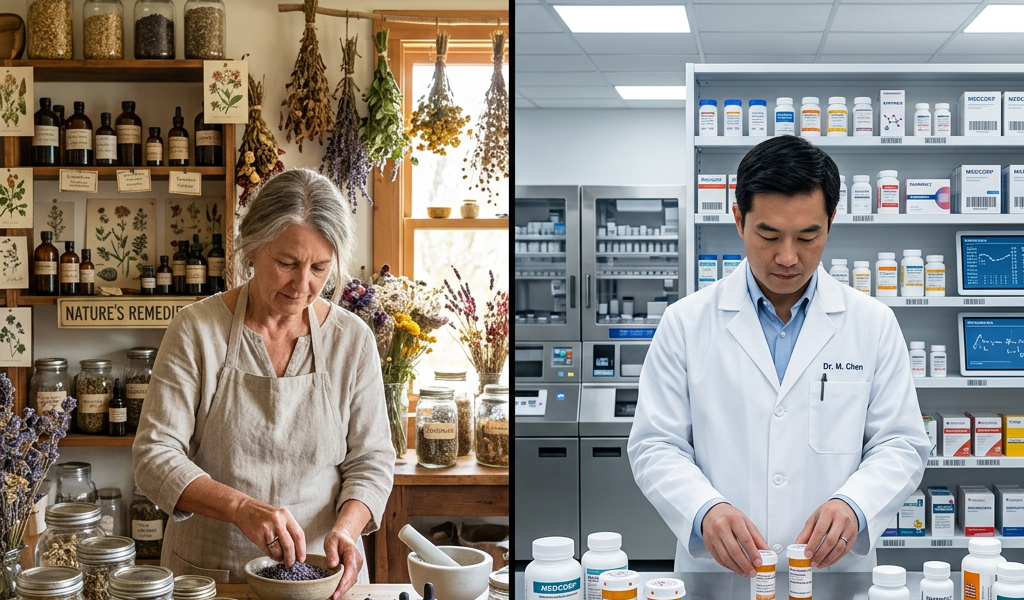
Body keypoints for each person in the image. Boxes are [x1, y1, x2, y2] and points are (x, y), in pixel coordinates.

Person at [627, 135, 930, 575]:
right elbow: (655, 444)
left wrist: (854, 504)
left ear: (831, 222)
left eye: (808, 236)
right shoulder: (685, 323)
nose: (788, 257)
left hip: (832, 573)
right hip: (724, 573)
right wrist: (705, 509)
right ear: (738, 219)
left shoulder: (873, 323)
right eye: (768, 234)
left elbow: (901, 444)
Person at [133, 168, 395, 597]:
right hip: (213, 576)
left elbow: (372, 460)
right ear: (252, 250)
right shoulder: (197, 331)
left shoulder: (351, 340)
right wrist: (240, 508)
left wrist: (348, 529)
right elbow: (154, 455)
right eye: (287, 263)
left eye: (320, 268)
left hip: (320, 577)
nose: (303, 285)